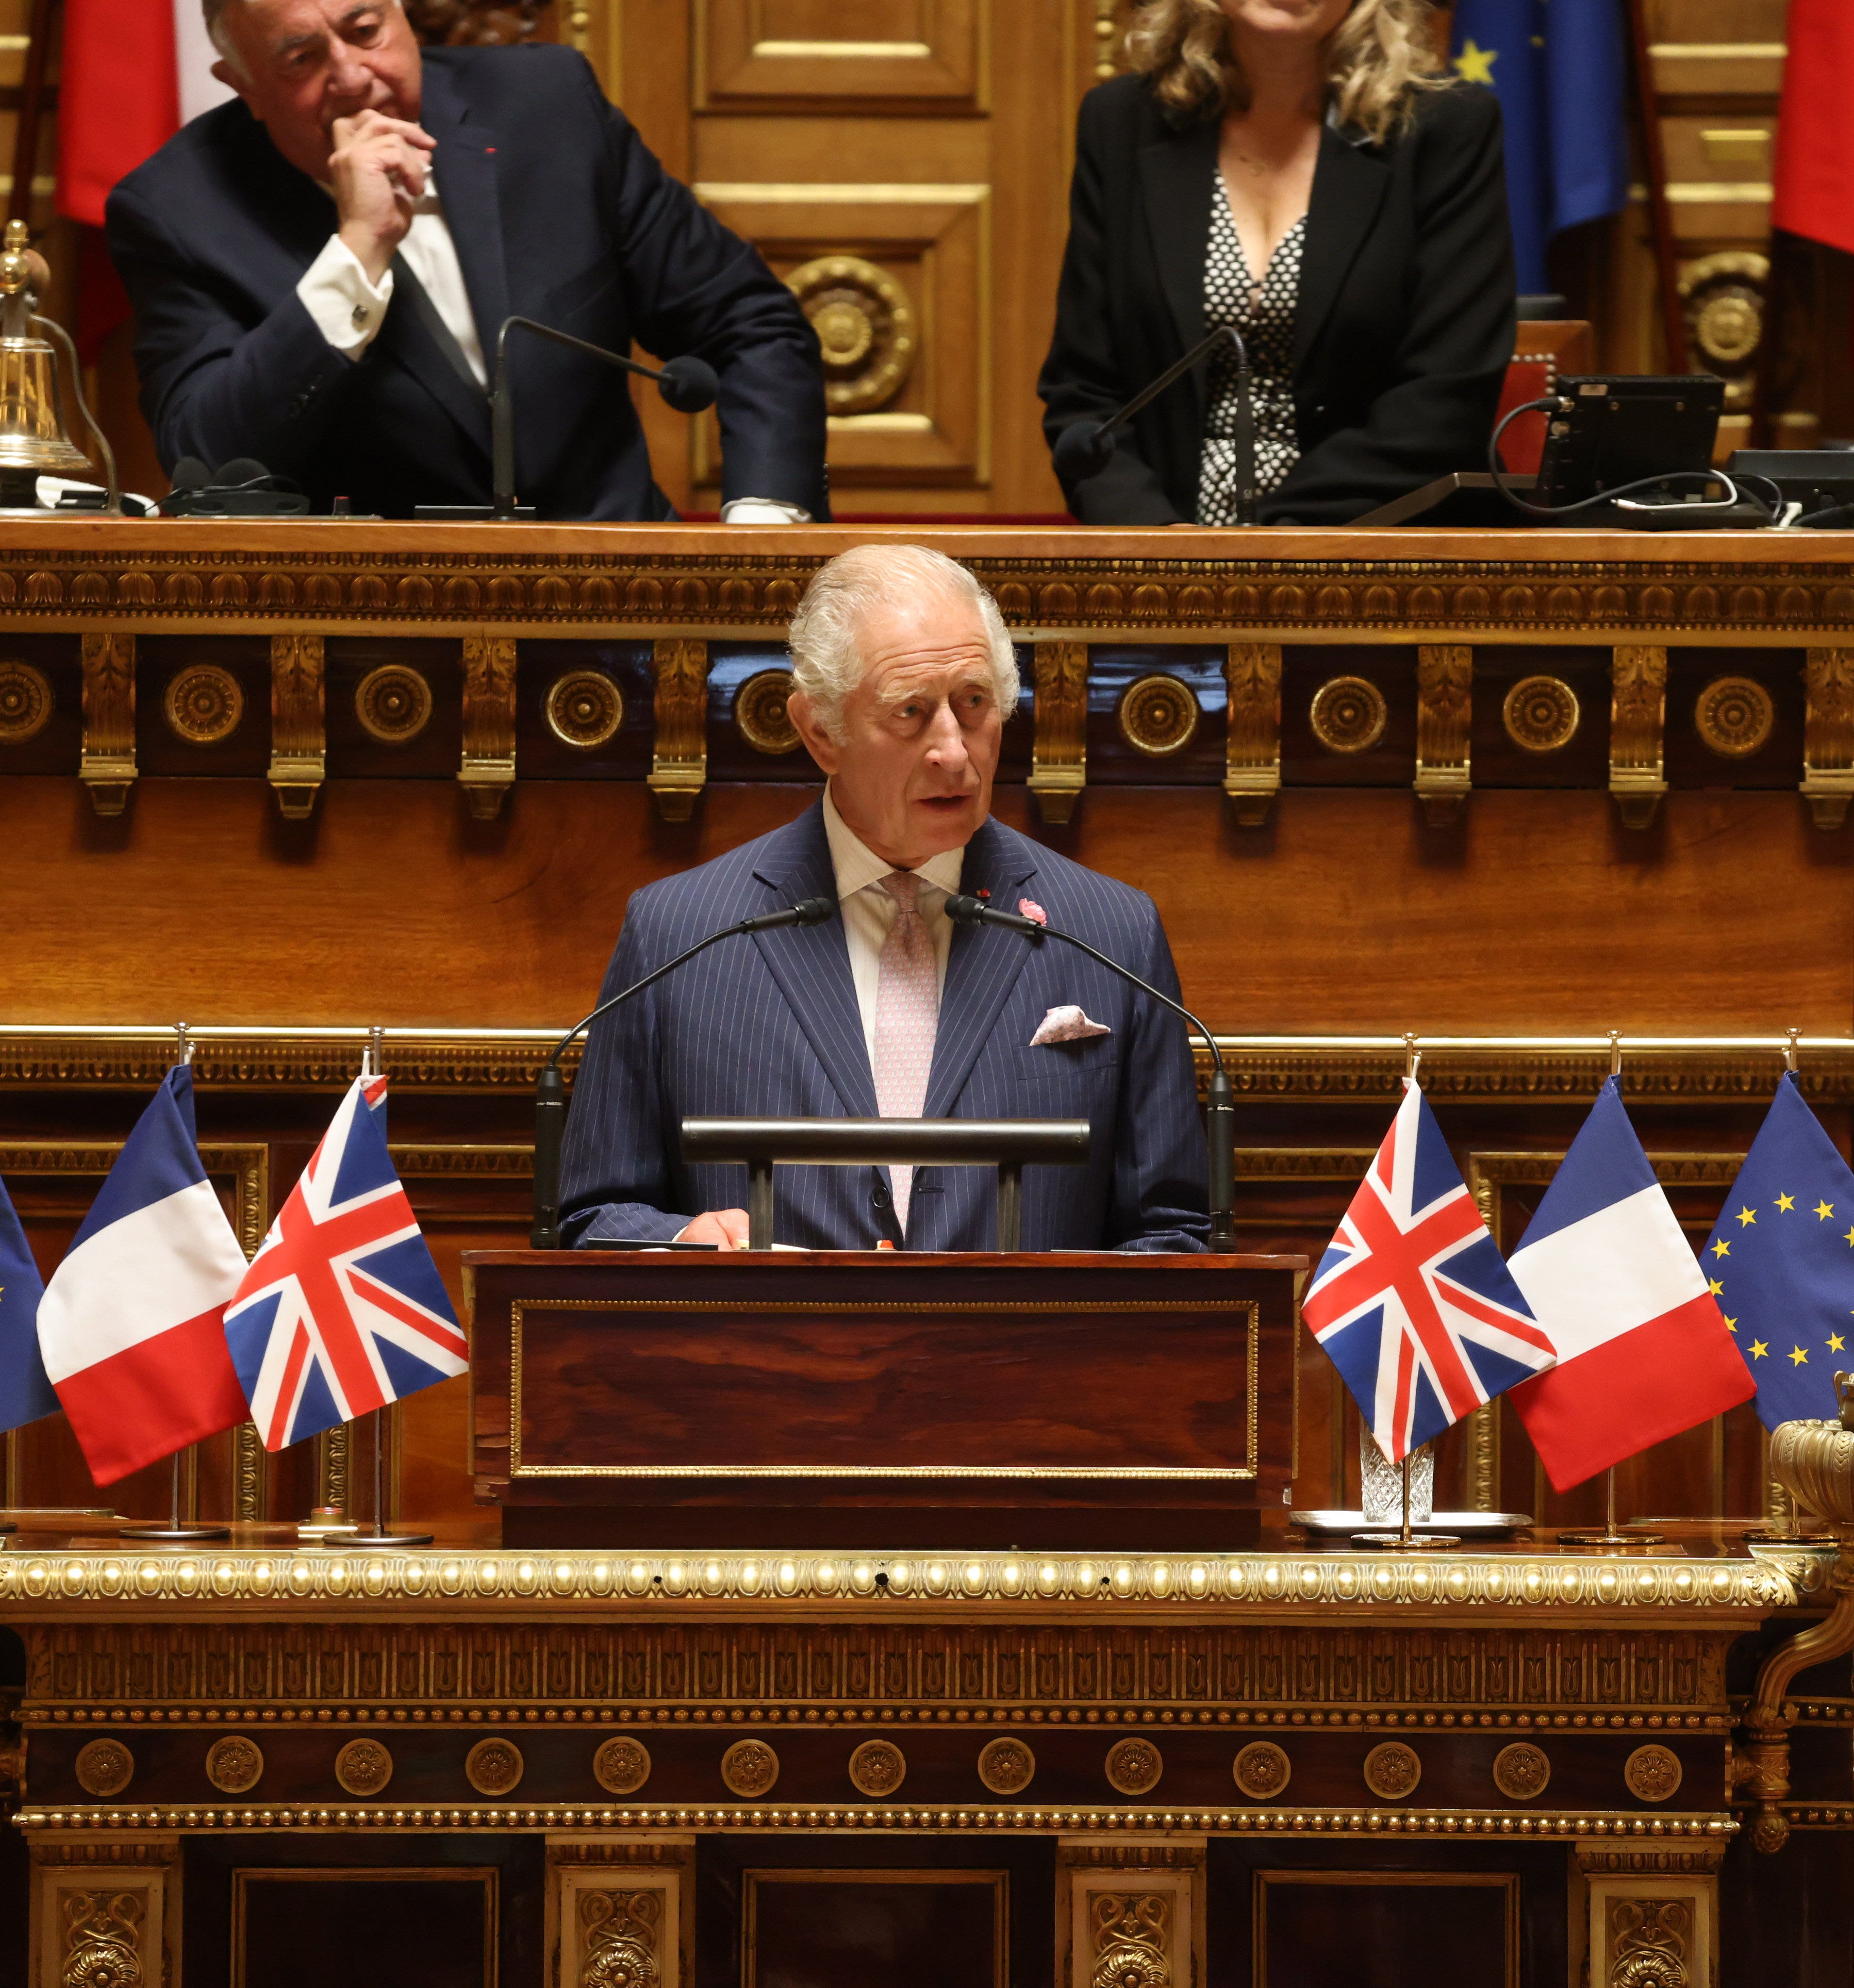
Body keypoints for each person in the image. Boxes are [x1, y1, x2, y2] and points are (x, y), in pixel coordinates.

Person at [557, 544, 1212, 1252]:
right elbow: (594, 1219)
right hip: (770, 1357)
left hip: (1022, 1360)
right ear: (819, 731)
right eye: (910, 711)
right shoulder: (680, 934)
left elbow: (1173, 1235)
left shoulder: (1111, 933)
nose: (955, 752)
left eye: (974, 704)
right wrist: (686, 1238)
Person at [106, 0, 825, 521]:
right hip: (373, 638)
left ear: (402, 13)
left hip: (621, 593)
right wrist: (356, 253)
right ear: (242, 85)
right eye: (302, 59)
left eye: (366, 31)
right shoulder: (180, 211)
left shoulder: (550, 107)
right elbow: (210, 460)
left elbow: (750, 327)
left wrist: (762, 527)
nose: (354, 77)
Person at [1037, 0, 1513, 525]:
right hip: (1164, 555)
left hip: (1376, 544)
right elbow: (1083, 390)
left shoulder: (1445, 127)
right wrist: (1159, 544)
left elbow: (1448, 395)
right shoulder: (1122, 121)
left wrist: (1270, 544)